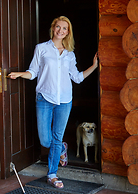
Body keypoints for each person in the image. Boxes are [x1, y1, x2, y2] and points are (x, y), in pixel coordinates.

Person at [9, 16, 98, 189]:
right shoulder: (41, 48)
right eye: (58, 27)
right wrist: (20, 74)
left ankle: (52, 174)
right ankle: (61, 148)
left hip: (65, 101)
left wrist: (94, 66)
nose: (61, 31)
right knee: (45, 139)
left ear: (68, 32)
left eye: (65, 28)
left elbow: (77, 78)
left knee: (56, 138)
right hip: (44, 98)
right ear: (53, 28)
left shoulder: (69, 54)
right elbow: (33, 72)